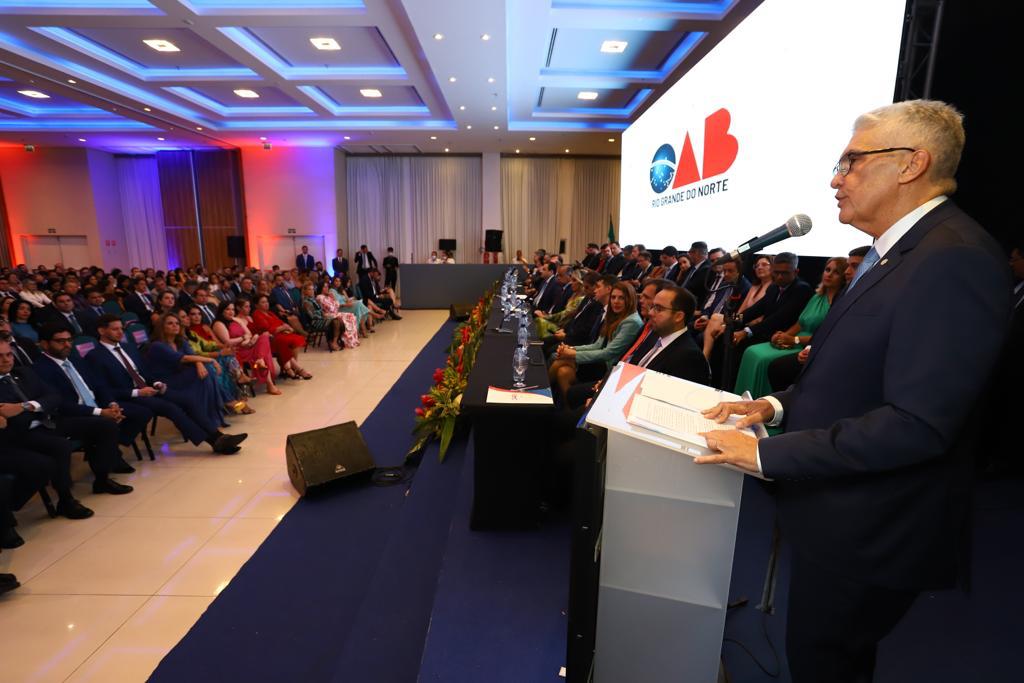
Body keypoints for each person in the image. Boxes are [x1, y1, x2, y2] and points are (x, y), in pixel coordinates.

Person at [697, 100, 1011, 683]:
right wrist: (774, 404)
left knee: (826, 663)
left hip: (873, 527)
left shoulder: (954, 259)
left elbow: (918, 423)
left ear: (912, 164)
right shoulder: (899, 253)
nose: (836, 179)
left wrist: (766, 453)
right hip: (838, 512)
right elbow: (856, 370)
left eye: (851, 162)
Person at [0, 340, 96, 519]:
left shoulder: (24, 373)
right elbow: (14, 420)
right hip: (15, 436)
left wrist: (25, 406)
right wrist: (37, 408)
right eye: (0, 356)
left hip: (45, 424)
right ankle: (63, 500)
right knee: (58, 448)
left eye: (9, 354)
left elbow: (54, 397)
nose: (6, 360)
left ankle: (69, 498)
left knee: (97, 425)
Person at [33, 323, 144, 475]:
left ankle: (109, 452)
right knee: (106, 425)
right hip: (70, 414)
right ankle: (103, 475)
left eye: (69, 340)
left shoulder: (75, 359)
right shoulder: (40, 369)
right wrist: (100, 412)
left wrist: (112, 404)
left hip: (95, 405)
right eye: (60, 341)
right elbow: (61, 404)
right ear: (45, 344)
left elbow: (99, 385)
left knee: (139, 412)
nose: (67, 345)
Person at [734, 256, 847, 398]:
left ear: (844, 276)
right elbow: (800, 323)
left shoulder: (838, 301)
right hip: (796, 339)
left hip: (810, 344)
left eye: (836, 272)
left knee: (763, 359)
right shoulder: (817, 296)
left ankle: (768, 400)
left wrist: (793, 340)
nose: (829, 274)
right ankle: (742, 397)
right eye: (827, 270)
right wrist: (783, 336)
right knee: (751, 352)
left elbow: (825, 335)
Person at [548, 281, 642, 400]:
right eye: (613, 297)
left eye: (621, 298)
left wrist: (573, 354)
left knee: (561, 359)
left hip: (609, 367)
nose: (616, 301)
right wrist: (570, 349)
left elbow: (608, 353)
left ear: (630, 299)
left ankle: (541, 393)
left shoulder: (632, 321)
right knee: (563, 372)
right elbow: (597, 345)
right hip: (600, 361)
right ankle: (565, 407)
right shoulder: (615, 315)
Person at [212, 301, 282, 394]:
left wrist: (247, 339)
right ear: (222, 311)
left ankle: (260, 359)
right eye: (228, 309)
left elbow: (249, 333)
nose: (231, 312)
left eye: (232, 309)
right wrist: (243, 338)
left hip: (247, 346)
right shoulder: (219, 324)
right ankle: (269, 383)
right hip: (237, 350)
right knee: (262, 352)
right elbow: (228, 341)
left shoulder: (235, 320)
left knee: (264, 336)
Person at [250, 294, 310, 378]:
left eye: (267, 301)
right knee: (284, 342)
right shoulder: (257, 314)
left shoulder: (270, 313)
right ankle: (296, 368)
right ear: (256, 305)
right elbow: (268, 330)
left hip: (279, 335)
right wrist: (282, 328)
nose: (266, 304)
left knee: (296, 340)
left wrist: (287, 328)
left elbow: (281, 323)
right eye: (263, 302)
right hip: (268, 340)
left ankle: (291, 367)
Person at [316, 281, 359, 348]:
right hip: (328, 314)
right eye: (324, 287)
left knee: (352, 316)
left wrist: (333, 298)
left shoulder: (328, 296)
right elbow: (332, 308)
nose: (327, 288)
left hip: (334, 313)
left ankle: (353, 340)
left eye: (327, 286)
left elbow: (337, 305)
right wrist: (334, 302)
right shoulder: (320, 297)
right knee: (348, 318)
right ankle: (347, 341)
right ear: (321, 288)